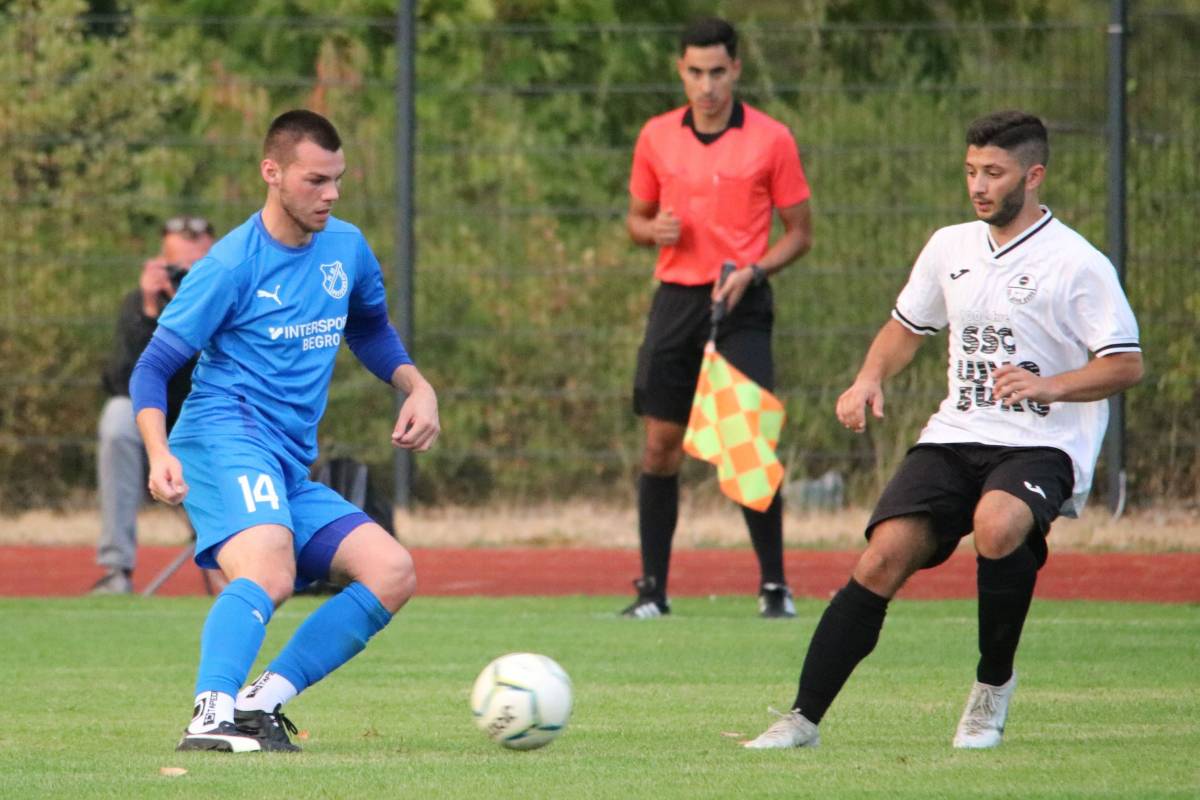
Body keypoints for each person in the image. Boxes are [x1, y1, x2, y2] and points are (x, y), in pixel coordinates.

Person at [744, 110, 1143, 750]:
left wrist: (1049, 385)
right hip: (956, 434)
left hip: (1042, 443)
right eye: (970, 172)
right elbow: (907, 327)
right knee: (883, 555)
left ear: (1033, 175)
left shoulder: (1077, 263)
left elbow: (1126, 363)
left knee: (997, 524)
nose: (979, 185)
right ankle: (802, 719)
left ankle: (990, 691)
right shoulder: (949, 246)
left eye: (994, 172)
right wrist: (868, 378)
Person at [130, 109, 439, 753]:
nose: (330, 194)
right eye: (315, 180)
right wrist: (158, 452)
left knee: (393, 571)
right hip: (223, 437)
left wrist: (417, 385)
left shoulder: (346, 248)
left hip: (287, 462)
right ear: (272, 174)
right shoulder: (231, 265)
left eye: (338, 180)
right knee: (269, 567)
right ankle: (208, 714)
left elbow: (369, 328)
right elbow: (153, 367)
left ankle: (258, 705)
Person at [622, 17, 813, 619]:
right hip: (676, 300)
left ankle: (775, 588)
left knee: (745, 445)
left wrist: (754, 271)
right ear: (681, 70)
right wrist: (652, 230)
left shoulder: (772, 139)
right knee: (660, 445)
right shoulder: (656, 136)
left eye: (718, 72)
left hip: (741, 301)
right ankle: (652, 590)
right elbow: (635, 220)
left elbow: (800, 234)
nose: (707, 86)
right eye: (695, 72)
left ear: (736, 69)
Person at [91, 216, 214, 595]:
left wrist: (191, 309)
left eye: (198, 268)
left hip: (212, 427)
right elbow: (123, 378)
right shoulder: (140, 304)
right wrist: (150, 308)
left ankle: (251, 569)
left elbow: (214, 372)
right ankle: (117, 570)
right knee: (116, 418)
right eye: (178, 269)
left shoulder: (229, 300)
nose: (186, 277)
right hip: (154, 433)